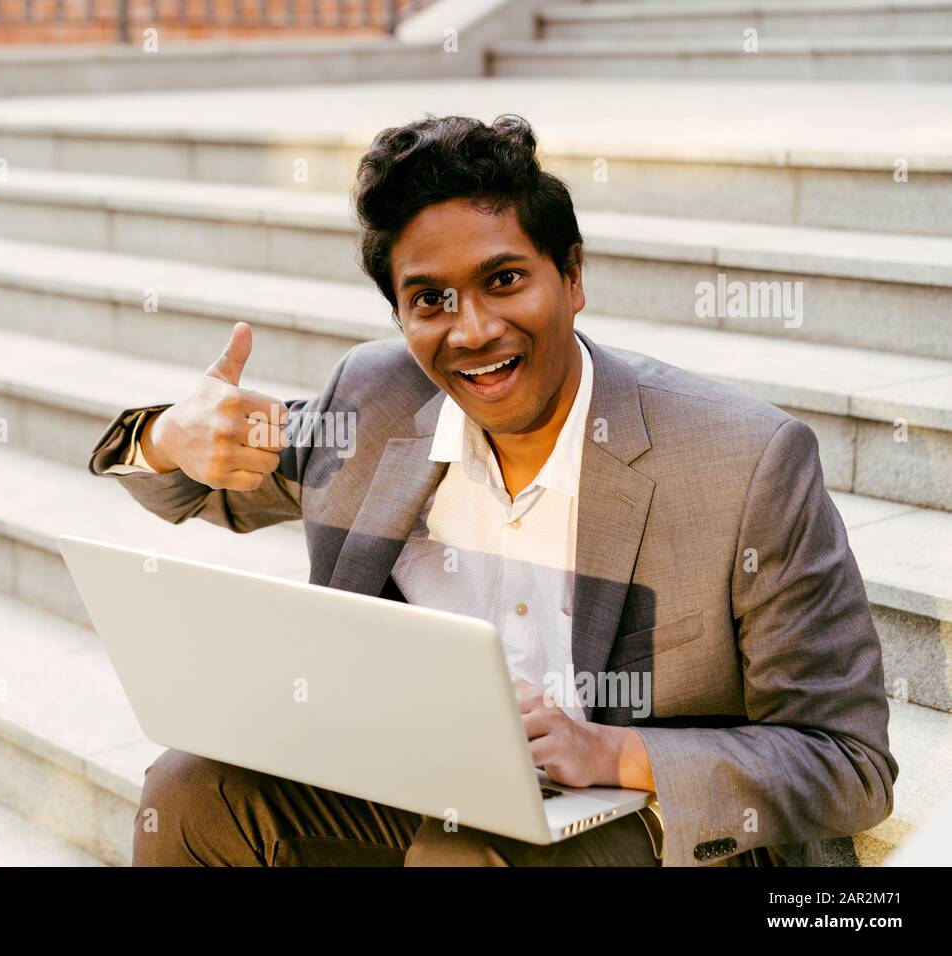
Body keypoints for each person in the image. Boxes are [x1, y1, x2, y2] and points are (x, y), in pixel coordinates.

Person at [88, 114, 897, 867]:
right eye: (430, 299)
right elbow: (191, 492)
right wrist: (167, 435)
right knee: (192, 793)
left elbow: (851, 763)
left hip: (643, 827)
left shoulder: (747, 462)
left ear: (572, 276)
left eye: (504, 279)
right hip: (426, 780)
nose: (471, 329)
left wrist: (613, 753)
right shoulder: (374, 401)